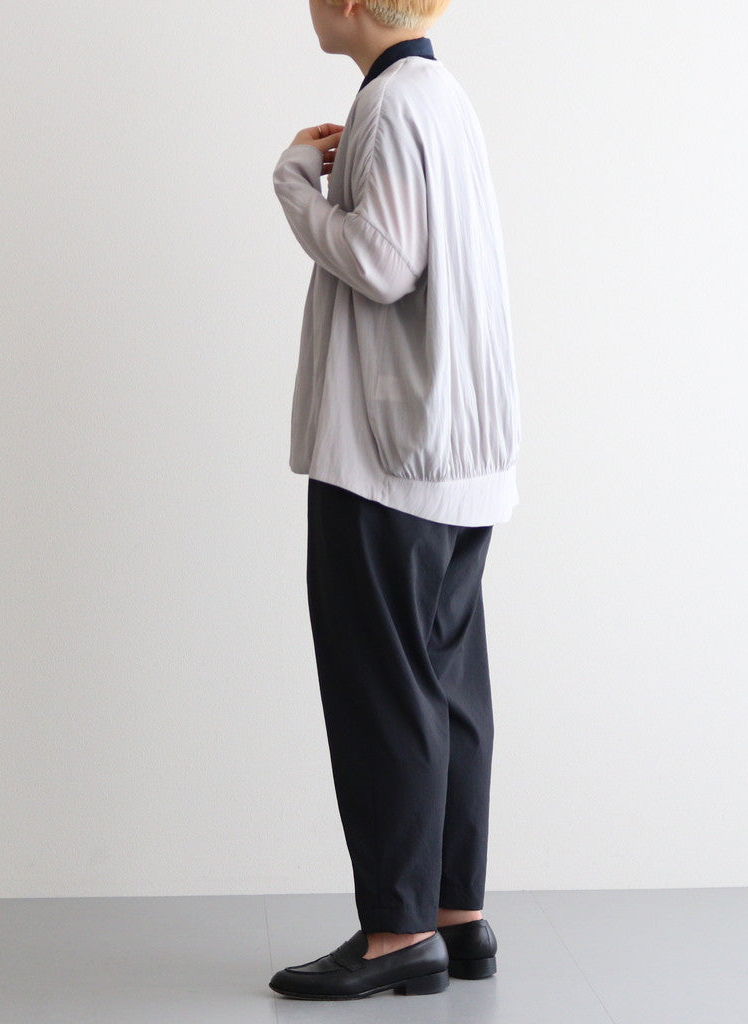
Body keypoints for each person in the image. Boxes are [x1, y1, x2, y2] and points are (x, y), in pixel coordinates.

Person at [268, 0, 521, 999]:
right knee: (446, 685)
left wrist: (294, 179)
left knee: (382, 690)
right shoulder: (443, 96)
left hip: (386, 454)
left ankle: (396, 933)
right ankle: (455, 916)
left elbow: (380, 262)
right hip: (456, 451)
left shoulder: (388, 103)